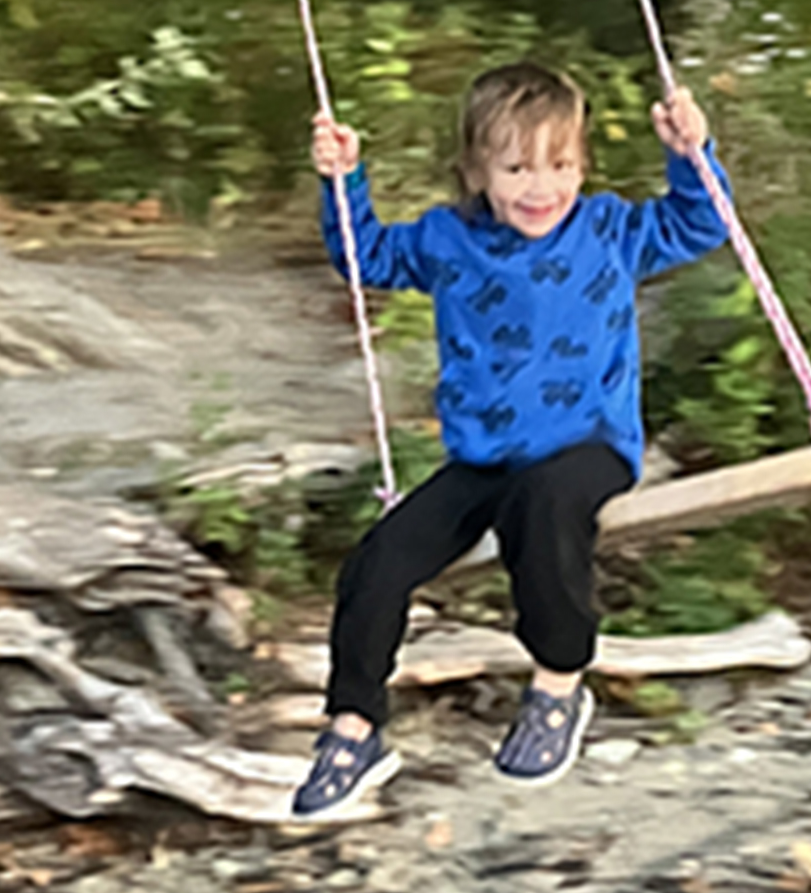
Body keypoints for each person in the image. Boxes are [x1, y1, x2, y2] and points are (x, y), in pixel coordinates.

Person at [290, 58, 730, 818]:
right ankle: (354, 726)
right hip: (483, 459)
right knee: (378, 560)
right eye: (517, 166)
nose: (541, 186)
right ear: (475, 170)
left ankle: (558, 683)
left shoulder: (611, 230)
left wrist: (692, 152)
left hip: (587, 446)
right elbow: (363, 256)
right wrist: (344, 180)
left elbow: (702, 221)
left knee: (546, 501)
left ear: (583, 164)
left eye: (560, 164)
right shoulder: (446, 240)